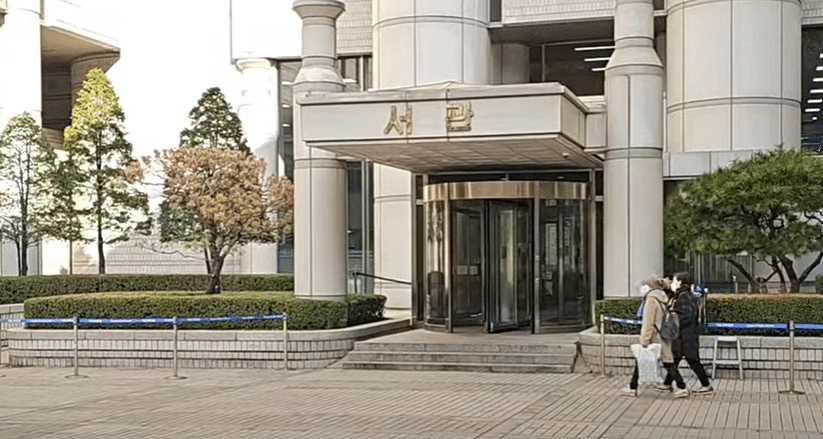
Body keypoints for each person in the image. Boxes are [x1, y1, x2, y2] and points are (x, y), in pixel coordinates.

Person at [660, 272, 713, 398]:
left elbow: (686, 316)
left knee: (692, 360)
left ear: (679, 283)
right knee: (675, 358)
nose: (672, 284)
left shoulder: (683, 296)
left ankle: (705, 385)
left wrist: (672, 321)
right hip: (685, 334)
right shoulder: (683, 295)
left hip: (686, 335)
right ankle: (667, 383)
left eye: (674, 281)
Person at [620, 276, 673, 397]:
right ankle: (632, 386)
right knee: (667, 361)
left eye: (645, 285)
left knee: (661, 362)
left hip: (654, 336)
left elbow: (648, 322)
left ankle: (681, 385)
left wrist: (644, 339)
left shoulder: (651, 300)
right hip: (662, 334)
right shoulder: (662, 298)